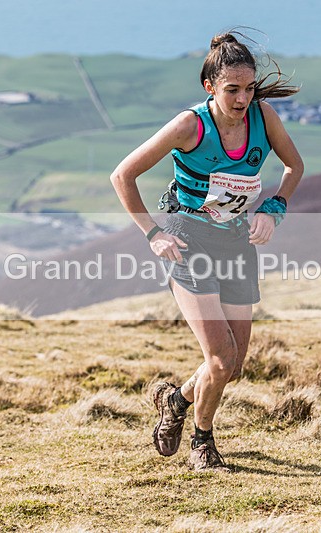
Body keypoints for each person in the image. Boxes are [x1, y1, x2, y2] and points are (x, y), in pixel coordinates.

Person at [109, 31, 304, 471]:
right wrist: (152, 234)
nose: (242, 98)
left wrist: (273, 209)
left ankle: (173, 399)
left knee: (232, 366)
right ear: (210, 87)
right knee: (217, 359)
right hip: (188, 242)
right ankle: (203, 444)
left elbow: (295, 166)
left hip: (235, 243)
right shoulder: (189, 126)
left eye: (249, 88)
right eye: (232, 89)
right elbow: (122, 176)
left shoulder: (263, 116)